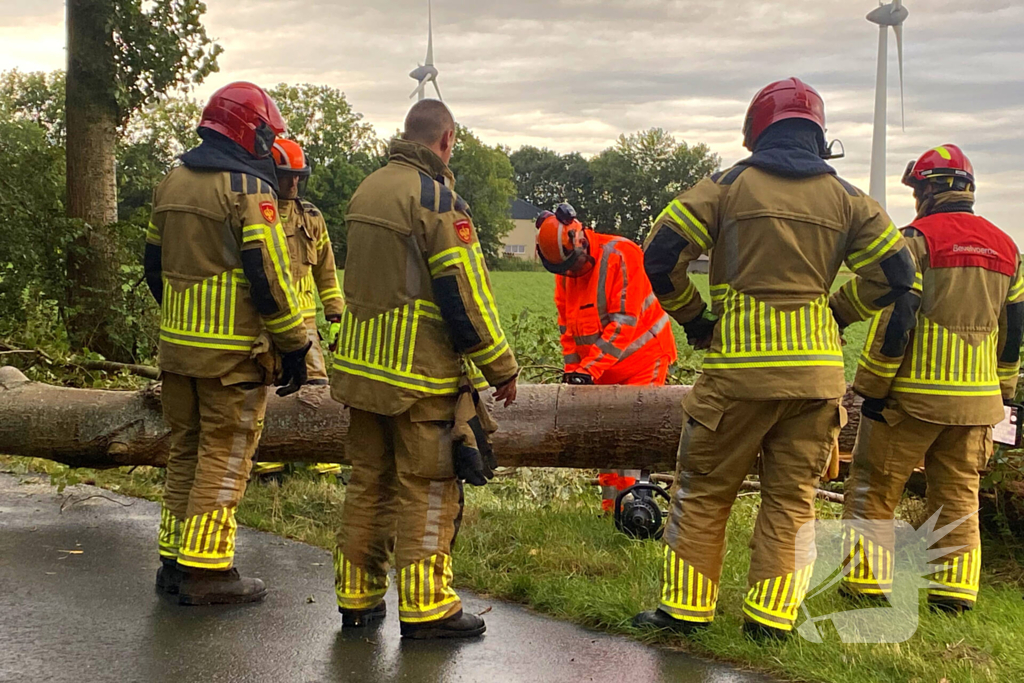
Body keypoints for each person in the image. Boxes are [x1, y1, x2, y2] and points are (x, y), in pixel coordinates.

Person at [633, 77, 917, 640]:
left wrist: (695, 318)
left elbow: (662, 252)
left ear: (756, 131)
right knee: (792, 500)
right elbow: (899, 274)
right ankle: (771, 621)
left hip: (737, 376)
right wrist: (836, 310)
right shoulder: (849, 199)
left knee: (706, 492)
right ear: (818, 135)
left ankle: (685, 613)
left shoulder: (726, 186)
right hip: (815, 381)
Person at [330, 99, 519, 639]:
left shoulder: (367, 188)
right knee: (427, 488)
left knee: (368, 485)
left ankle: (357, 599)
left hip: (362, 371)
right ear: (447, 139)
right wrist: (499, 365)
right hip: (418, 376)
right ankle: (428, 608)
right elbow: (464, 295)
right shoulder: (437, 200)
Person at [838, 144, 1024, 614]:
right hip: (977, 405)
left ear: (927, 191)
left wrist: (872, 388)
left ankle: (864, 585)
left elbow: (897, 321)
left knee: (874, 487)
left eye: (917, 189)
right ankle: (955, 593)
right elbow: (1014, 332)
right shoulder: (1008, 249)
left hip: (912, 400)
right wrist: (1003, 395)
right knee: (959, 493)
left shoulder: (917, 242)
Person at [145, 82, 310, 605]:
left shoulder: (170, 181)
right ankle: (208, 572)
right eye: (267, 134)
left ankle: (173, 563)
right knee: (226, 453)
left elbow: (154, 266)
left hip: (176, 350)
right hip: (232, 356)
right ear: (249, 131)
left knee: (186, 452)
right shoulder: (249, 190)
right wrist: (295, 343)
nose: (268, 144)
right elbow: (269, 277)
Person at [535, 202, 677, 512]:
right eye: (564, 270)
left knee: (634, 437)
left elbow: (623, 323)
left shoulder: (621, 254)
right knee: (605, 440)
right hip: (601, 370)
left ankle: (638, 512)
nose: (571, 273)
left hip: (644, 358)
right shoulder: (566, 275)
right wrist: (575, 374)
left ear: (581, 238)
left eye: (572, 265)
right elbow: (568, 332)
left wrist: (589, 371)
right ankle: (611, 513)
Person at [252, 138, 345, 479]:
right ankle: (269, 463)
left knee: (317, 387)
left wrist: (334, 311)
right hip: (265, 319)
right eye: (285, 176)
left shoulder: (312, 218)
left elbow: (327, 270)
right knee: (266, 385)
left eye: (297, 177)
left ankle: (323, 461)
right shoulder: (257, 212)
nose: (292, 183)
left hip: (304, 321)